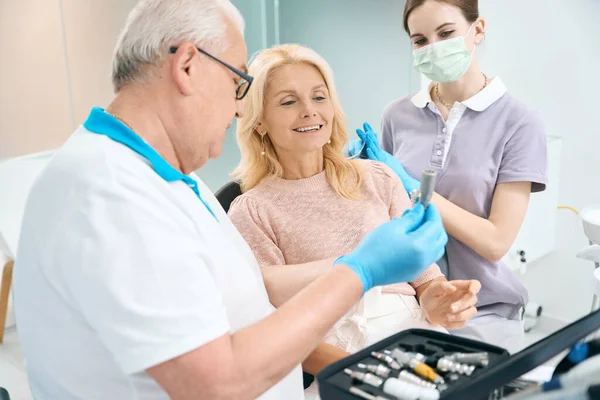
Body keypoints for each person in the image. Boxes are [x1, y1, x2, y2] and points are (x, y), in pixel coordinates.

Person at [12, 1, 449, 399]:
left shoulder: (175, 179)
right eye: (238, 81)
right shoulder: (109, 193)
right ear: (186, 67)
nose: (241, 108)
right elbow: (214, 383)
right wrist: (360, 270)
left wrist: (361, 261)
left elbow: (254, 286)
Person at [227, 43, 481, 398]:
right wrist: (366, 369)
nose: (309, 112)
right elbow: (274, 330)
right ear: (259, 123)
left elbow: (425, 279)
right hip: (341, 362)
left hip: (416, 341)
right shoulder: (250, 211)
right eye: (288, 102)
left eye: (319, 97)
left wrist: (441, 300)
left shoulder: (377, 177)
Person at [351, 0, 548, 354]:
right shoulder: (397, 115)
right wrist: (362, 173)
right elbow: (386, 211)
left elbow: (496, 241)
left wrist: (415, 190)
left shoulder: (519, 122)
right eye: (420, 40)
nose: (433, 48)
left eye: (445, 33)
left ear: (477, 30)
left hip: (482, 312)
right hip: (409, 306)